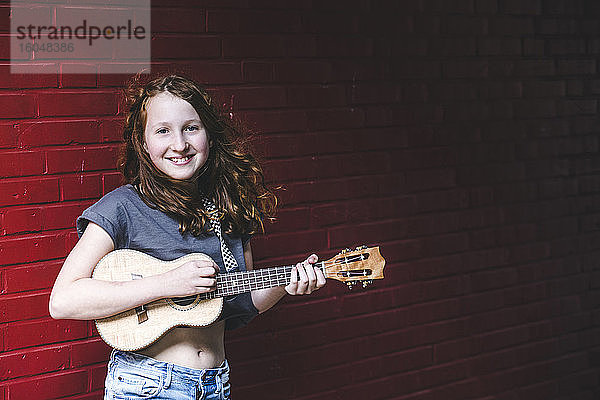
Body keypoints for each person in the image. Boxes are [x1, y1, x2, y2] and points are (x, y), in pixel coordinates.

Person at [49, 74, 326, 399]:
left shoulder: (228, 210)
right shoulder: (123, 207)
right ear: (143, 141)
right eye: (163, 130)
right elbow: (64, 300)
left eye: (191, 128)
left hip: (215, 384)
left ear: (209, 133)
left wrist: (286, 284)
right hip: (148, 386)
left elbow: (240, 302)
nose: (179, 144)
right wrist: (165, 285)